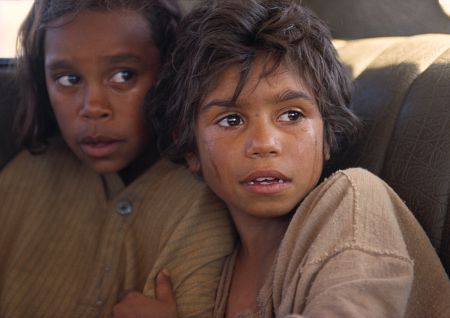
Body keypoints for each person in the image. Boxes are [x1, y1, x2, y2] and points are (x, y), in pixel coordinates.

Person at [115, 0, 450, 317]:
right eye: (231, 120)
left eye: (291, 115)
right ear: (190, 150)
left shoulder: (352, 205)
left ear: (327, 134)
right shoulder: (207, 258)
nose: (264, 144)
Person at [0, 0, 235, 317]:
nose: (93, 106)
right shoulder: (24, 177)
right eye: (69, 80)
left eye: (124, 75)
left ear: (168, 74)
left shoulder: (203, 202)